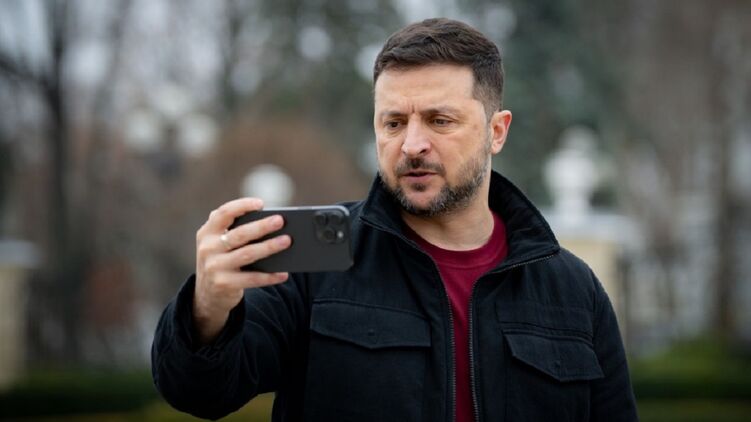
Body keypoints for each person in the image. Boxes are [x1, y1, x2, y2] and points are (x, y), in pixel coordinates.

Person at [151, 18, 638, 422]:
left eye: (440, 120)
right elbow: (200, 393)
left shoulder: (573, 289)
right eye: (394, 122)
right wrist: (207, 310)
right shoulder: (313, 260)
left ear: (496, 131)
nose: (412, 145)